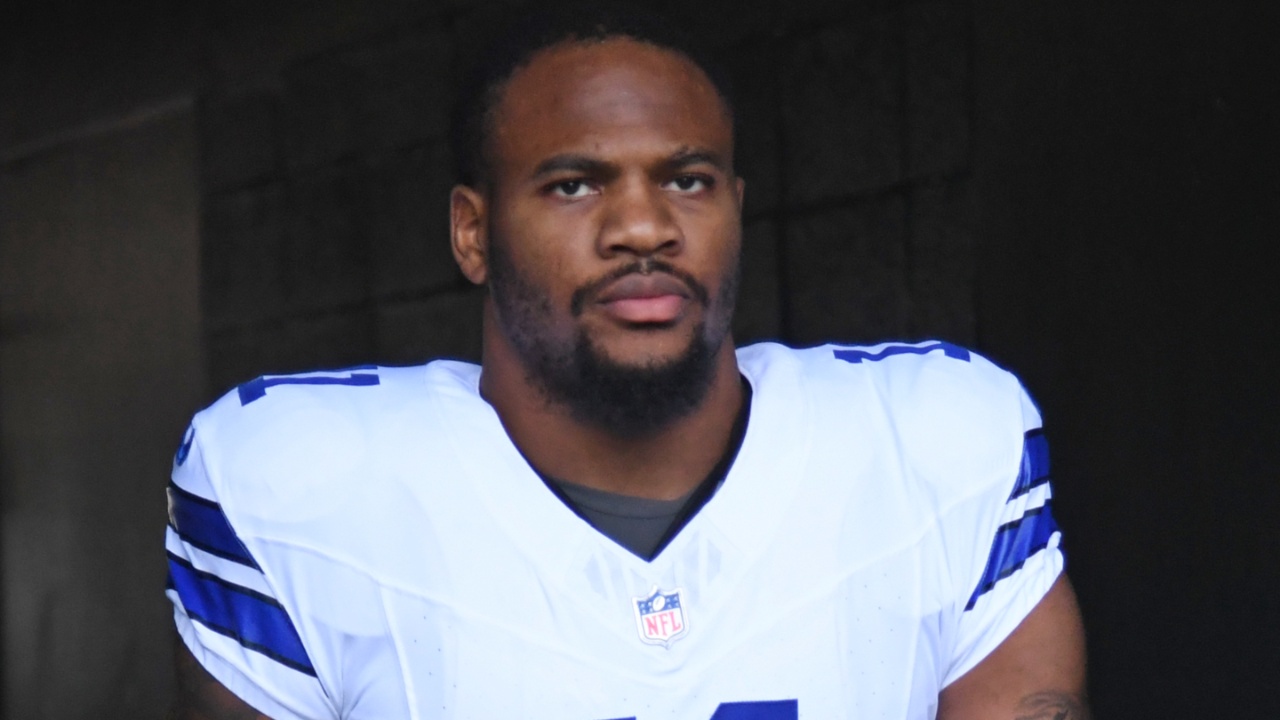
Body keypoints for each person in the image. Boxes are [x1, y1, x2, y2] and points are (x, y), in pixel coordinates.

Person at [165, 5, 1088, 719]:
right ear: (472, 233)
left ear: (736, 206)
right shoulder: (296, 481)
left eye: (687, 180)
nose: (644, 228)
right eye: (574, 185)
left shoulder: (935, 437)